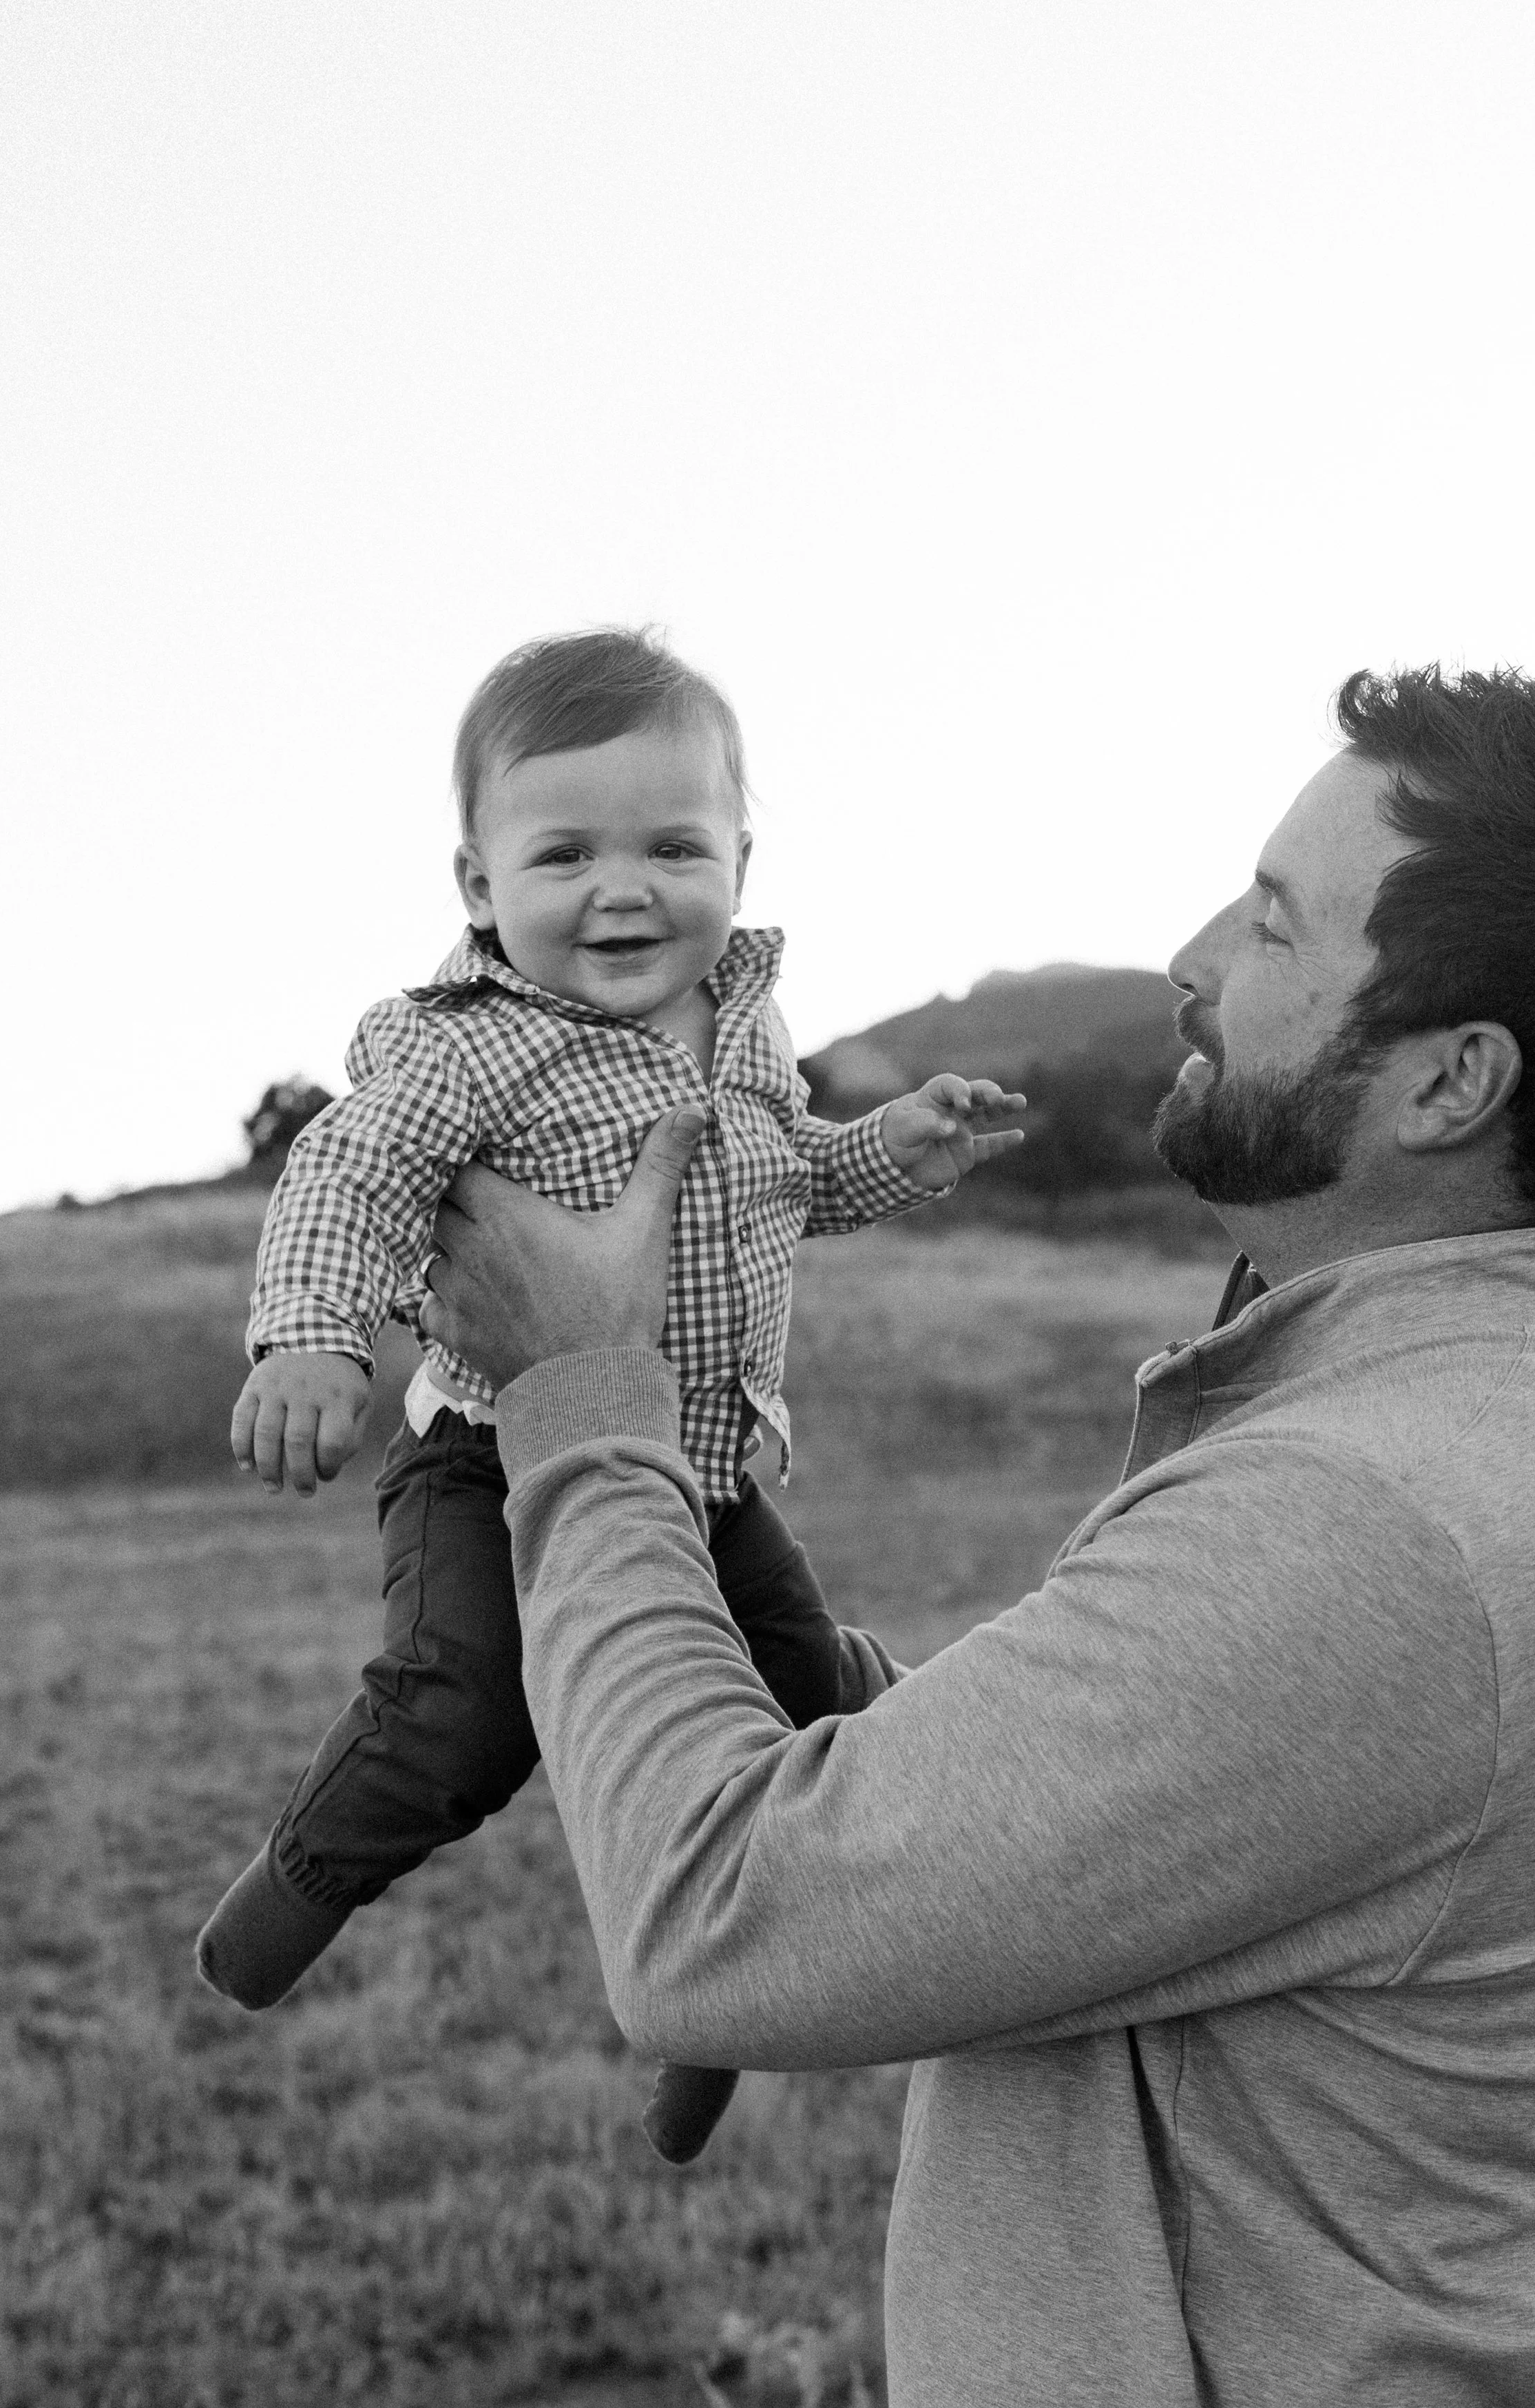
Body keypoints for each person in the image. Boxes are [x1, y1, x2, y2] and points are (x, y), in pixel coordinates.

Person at [417, 664, 1535, 2403]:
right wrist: (896, 1740)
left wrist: (578, 1392)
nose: (1184, 959)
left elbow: (717, 1912)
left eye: (1266, 923)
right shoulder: (1463, 1445)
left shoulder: (1375, 1515)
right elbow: (1262, 1811)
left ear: (1449, 1080)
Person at [198, 626, 1025, 2164]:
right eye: (563, 851)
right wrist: (310, 1335)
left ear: (739, 856)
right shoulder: (471, 1048)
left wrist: (887, 1153)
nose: (621, 887)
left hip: (703, 1476)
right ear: (476, 886)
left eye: (669, 844)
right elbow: (347, 1170)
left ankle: (719, 2006)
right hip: (488, 1459)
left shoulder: (752, 1030)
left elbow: (787, 1191)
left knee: (806, 1730)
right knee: (469, 1713)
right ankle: (279, 1901)